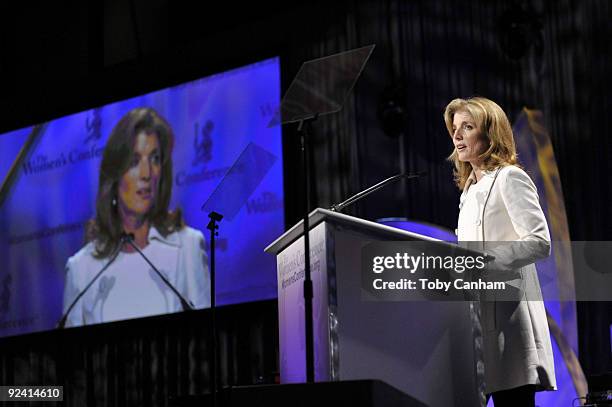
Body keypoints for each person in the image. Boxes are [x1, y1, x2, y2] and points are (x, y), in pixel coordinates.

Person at [445, 97, 556, 406]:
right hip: (478, 326)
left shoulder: (510, 177)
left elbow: (539, 241)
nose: (457, 136)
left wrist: (483, 264)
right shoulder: (468, 191)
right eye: (455, 128)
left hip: (509, 322)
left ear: (490, 134)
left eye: (467, 127)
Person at [62, 107, 210, 327]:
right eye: (134, 162)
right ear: (114, 176)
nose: (146, 173)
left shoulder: (188, 247)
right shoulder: (81, 269)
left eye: (155, 159)